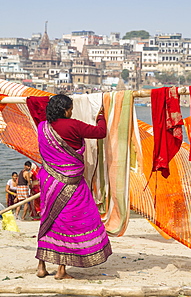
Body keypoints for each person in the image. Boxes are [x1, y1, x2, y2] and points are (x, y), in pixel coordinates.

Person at [36, 94, 112, 280]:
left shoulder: (42, 127)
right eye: (70, 108)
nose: (72, 111)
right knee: (69, 223)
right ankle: (61, 270)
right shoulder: (74, 125)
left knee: (48, 218)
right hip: (71, 184)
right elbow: (100, 132)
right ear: (65, 110)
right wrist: (101, 116)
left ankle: (41, 265)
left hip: (48, 182)